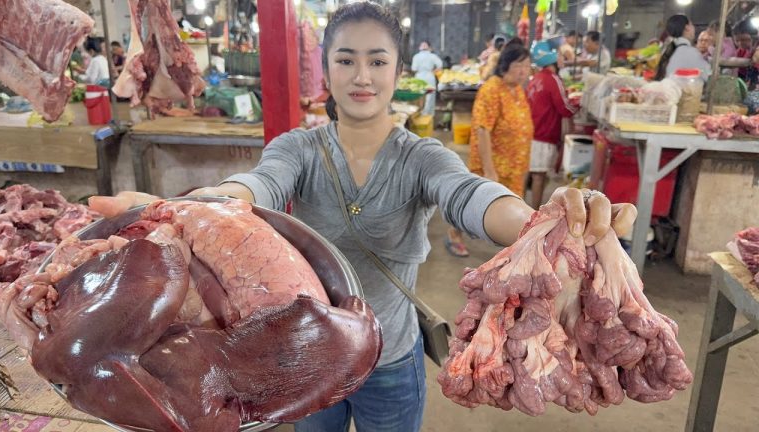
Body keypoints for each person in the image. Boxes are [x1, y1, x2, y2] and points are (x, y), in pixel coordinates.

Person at [90, 3, 636, 431]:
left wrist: (542, 221)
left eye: (377, 60)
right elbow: (261, 184)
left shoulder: (421, 157)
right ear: (327, 66)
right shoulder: (298, 148)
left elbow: (468, 194)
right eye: (346, 59)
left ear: (398, 69)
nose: (362, 75)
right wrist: (210, 200)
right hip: (308, 355)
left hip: (391, 360)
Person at [445, 45, 534, 258]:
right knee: (473, 204)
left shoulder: (517, 90)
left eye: (527, 66)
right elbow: (482, 129)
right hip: (492, 163)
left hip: (514, 164)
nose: (524, 71)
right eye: (519, 65)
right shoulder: (492, 89)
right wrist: (488, 168)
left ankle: (512, 250)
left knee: (512, 206)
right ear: (505, 65)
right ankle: (453, 235)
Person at [527, 41, 578, 209]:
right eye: (561, 56)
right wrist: (578, 105)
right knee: (539, 177)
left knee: (533, 174)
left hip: (532, 132)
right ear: (552, 59)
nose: (563, 60)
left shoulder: (536, 77)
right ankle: (533, 213)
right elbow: (564, 108)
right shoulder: (553, 79)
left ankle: (526, 208)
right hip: (544, 134)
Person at [654, 15, 711, 82]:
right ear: (687, 28)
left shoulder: (667, 50)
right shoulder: (690, 52)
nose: (694, 28)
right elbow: (708, 75)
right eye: (692, 24)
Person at [411, 41, 443, 116]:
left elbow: (414, 69)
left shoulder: (416, 56)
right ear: (429, 48)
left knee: (418, 96)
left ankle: (417, 114)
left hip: (419, 77)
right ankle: (428, 115)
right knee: (430, 96)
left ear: (420, 48)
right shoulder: (433, 56)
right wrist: (433, 71)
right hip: (429, 76)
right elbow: (440, 65)